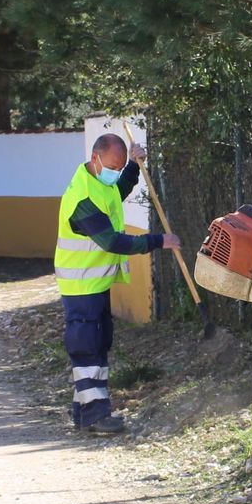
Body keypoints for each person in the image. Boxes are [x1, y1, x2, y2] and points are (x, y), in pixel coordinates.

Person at [54, 134, 179, 435]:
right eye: (112, 166)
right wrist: (158, 241)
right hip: (81, 285)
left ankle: (85, 412)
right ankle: (96, 416)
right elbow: (111, 241)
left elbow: (117, 190)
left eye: (119, 166)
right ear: (95, 158)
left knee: (96, 344)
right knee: (87, 348)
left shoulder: (100, 183)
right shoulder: (82, 198)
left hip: (94, 282)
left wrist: (133, 167)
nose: (115, 171)